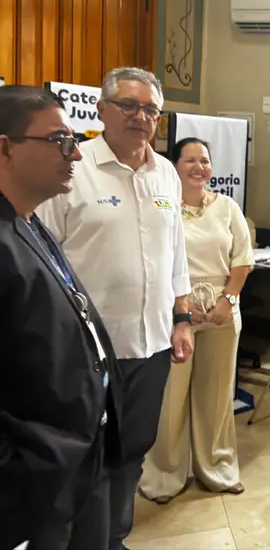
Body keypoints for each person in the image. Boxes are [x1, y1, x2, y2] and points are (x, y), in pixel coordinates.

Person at [37, 67, 193, 550]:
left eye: (150, 109)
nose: (140, 117)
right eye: (129, 105)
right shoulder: (72, 170)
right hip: (88, 354)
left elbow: (176, 253)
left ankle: (114, 539)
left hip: (151, 346)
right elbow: (42, 257)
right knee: (90, 458)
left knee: (132, 453)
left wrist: (182, 318)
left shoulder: (165, 171)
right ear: (102, 109)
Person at [0, 85, 123, 549]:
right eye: (58, 141)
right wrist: (21, 468)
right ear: (5, 147)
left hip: (81, 454)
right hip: (36, 475)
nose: (74, 154)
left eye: (74, 141)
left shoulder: (30, 221)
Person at [139, 137, 253, 504]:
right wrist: (181, 309)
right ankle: (165, 475)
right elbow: (156, 260)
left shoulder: (227, 207)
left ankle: (217, 468)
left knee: (217, 395)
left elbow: (243, 260)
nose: (198, 167)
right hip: (176, 315)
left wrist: (227, 300)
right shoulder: (162, 205)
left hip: (221, 311)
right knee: (171, 398)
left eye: (204, 160)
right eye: (190, 160)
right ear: (174, 165)